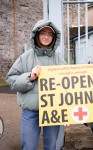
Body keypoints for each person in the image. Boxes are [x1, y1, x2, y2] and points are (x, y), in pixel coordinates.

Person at [6, 19, 66, 150]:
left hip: (53, 111)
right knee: (29, 146)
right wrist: (29, 77)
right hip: (30, 111)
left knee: (51, 146)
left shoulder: (58, 58)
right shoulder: (25, 57)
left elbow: (69, 82)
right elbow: (11, 79)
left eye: (50, 34)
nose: (46, 36)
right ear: (36, 35)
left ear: (54, 37)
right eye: (43, 33)